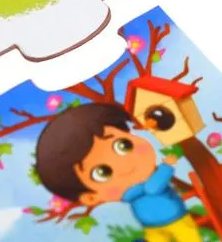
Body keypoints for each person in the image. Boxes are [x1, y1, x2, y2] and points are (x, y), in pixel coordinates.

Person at [35, 103, 202, 242]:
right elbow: (152, 188)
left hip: (170, 219)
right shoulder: (136, 191)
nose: (124, 165)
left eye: (123, 145)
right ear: (91, 197)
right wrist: (166, 167)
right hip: (156, 224)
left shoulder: (134, 192)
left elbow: (152, 187)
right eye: (102, 172)